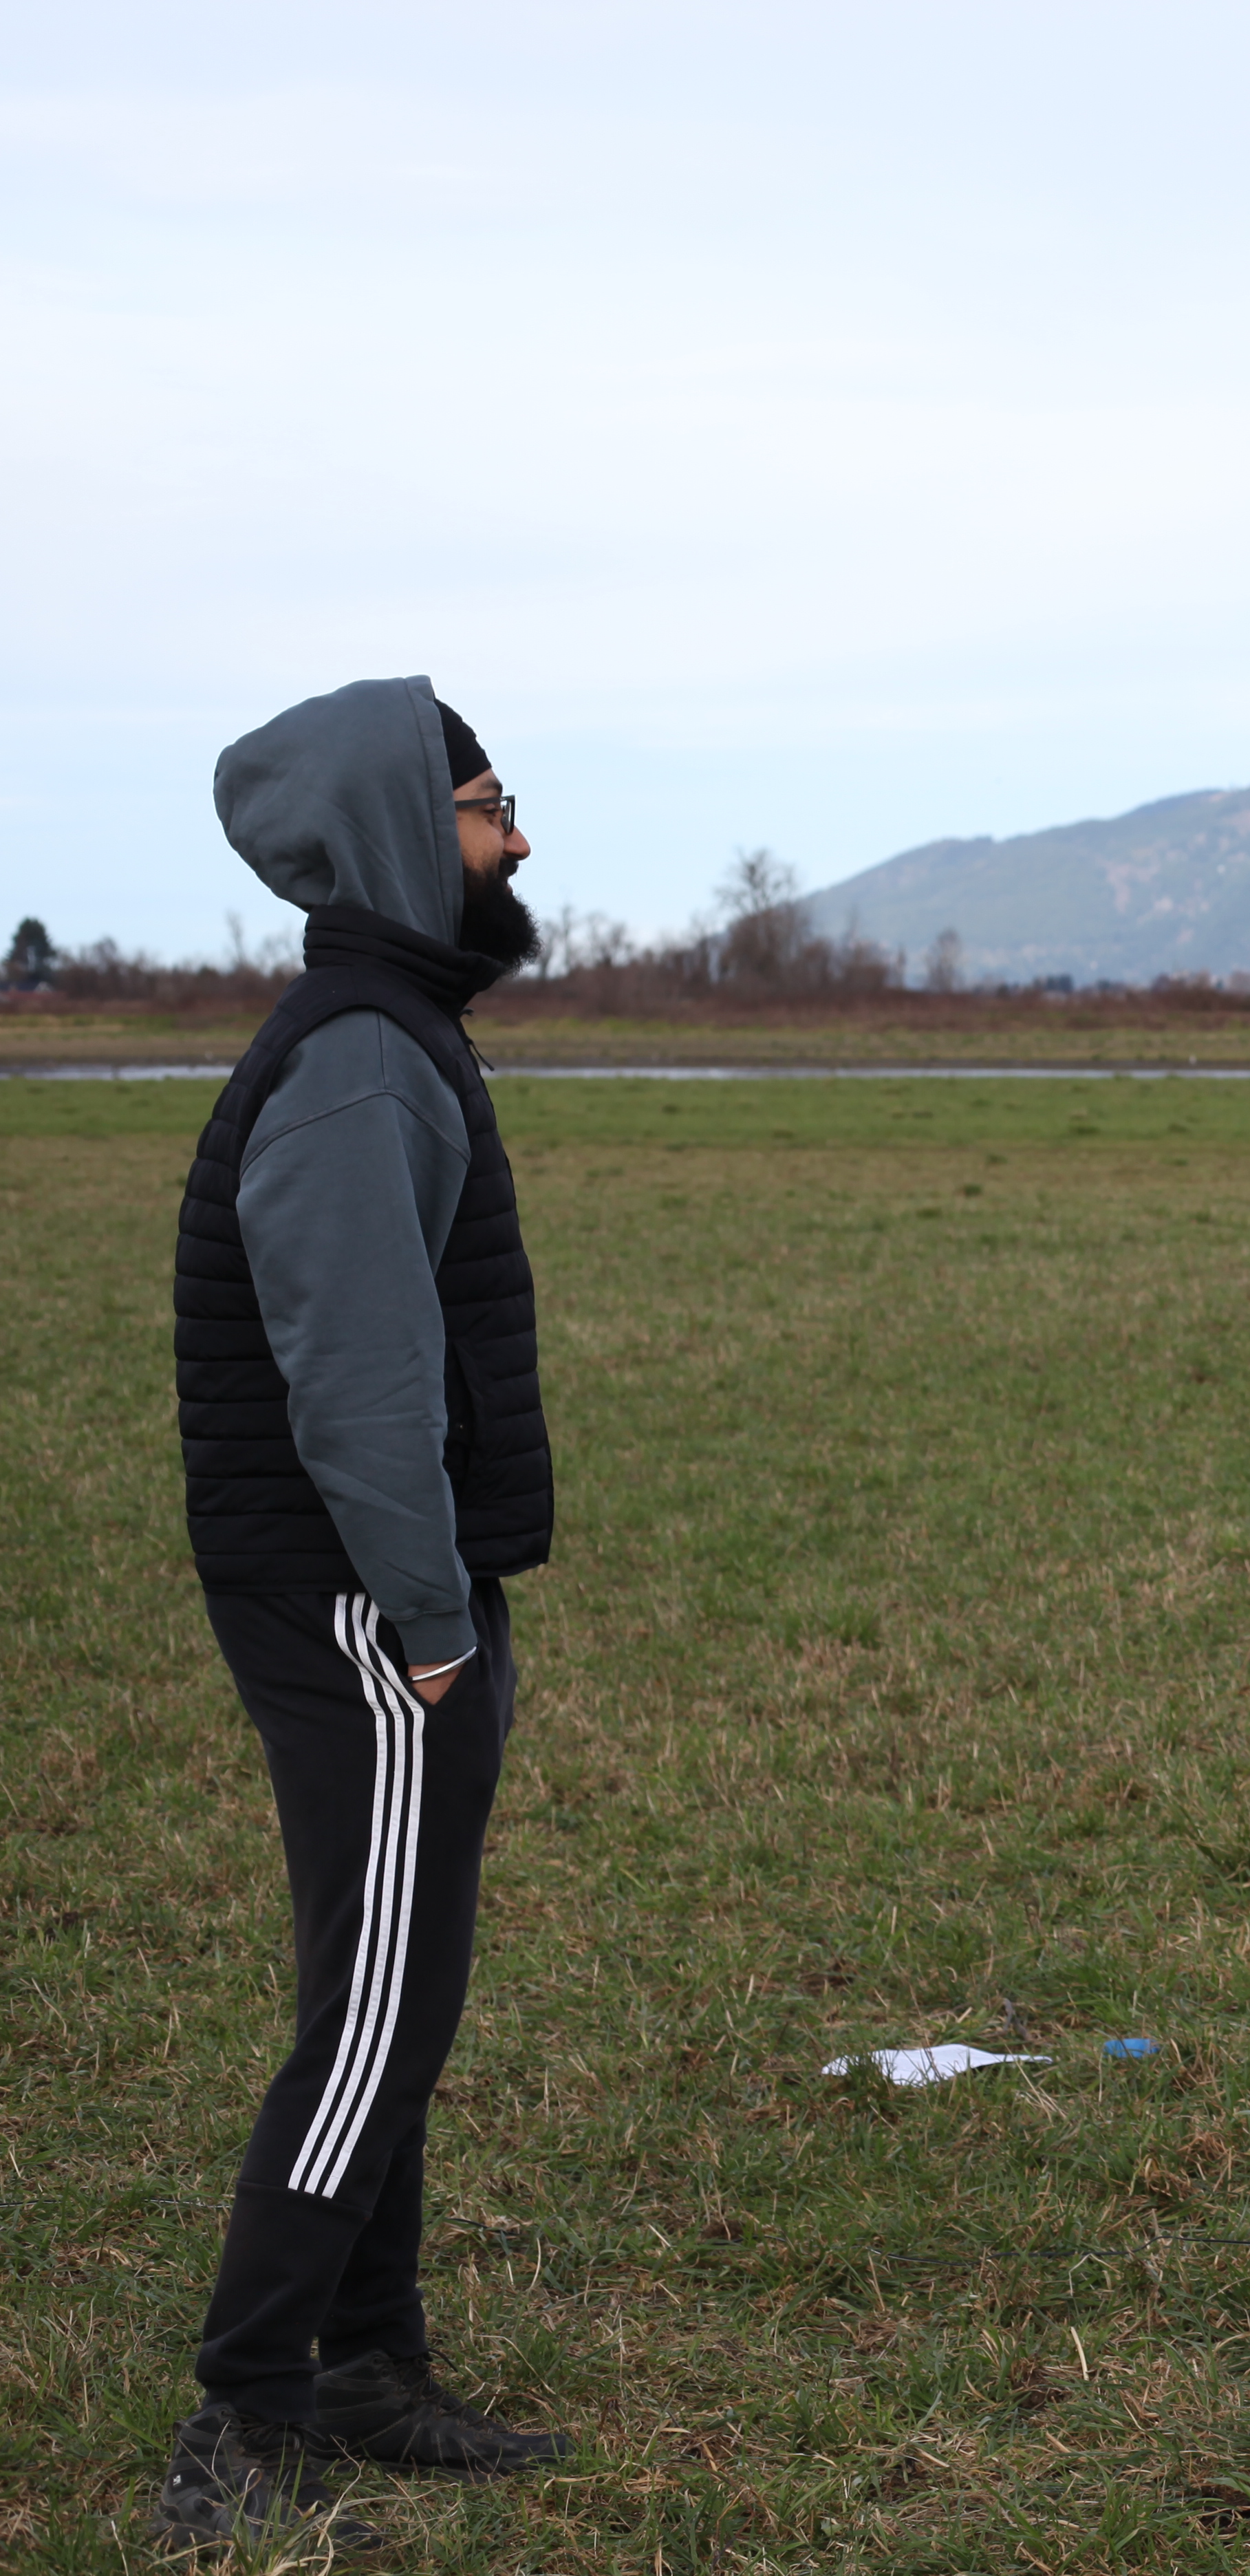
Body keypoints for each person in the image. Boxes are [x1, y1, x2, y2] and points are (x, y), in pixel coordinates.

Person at [160, 678, 572, 2552]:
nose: (518, 839)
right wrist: (427, 1616)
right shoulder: (356, 1059)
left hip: (376, 1591)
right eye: (490, 805)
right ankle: (247, 2411)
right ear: (414, 827)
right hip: (359, 1602)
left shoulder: (390, 1033)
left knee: (396, 1996)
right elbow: (356, 1381)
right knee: (373, 2021)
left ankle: (370, 2369)